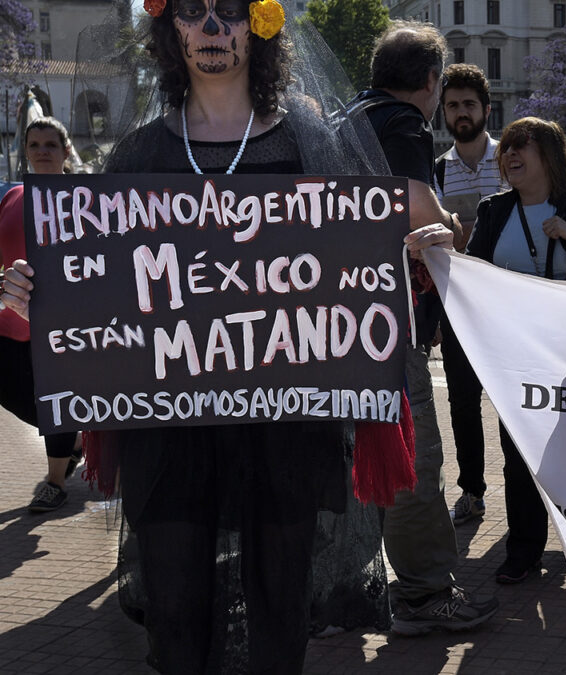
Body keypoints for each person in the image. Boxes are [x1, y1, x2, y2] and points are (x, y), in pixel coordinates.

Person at [4, 1, 421, 670]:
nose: (212, 30)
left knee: (280, 606)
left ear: (258, 26)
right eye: (193, 13)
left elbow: (361, 259)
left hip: (284, 432)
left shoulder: (309, 145)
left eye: (229, 11)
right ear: (171, 31)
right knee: (176, 613)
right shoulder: (138, 156)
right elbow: (97, 298)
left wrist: (415, 249)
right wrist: (36, 299)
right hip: (169, 439)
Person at [408, 116, 566, 583]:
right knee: (518, 451)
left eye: (522, 147)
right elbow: (475, 273)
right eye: (507, 148)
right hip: (518, 354)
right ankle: (524, 549)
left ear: (550, 155)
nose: (510, 155)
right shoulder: (496, 209)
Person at [349, 20, 499, 635]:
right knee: (414, 460)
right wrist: (454, 228)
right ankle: (425, 591)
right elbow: (418, 204)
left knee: (372, 457)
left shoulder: (348, 118)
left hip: (344, 323)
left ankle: (382, 586)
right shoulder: (402, 124)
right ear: (432, 81)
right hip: (389, 324)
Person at [432, 62, 506, 528]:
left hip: (510, 304)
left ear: (486, 109)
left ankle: (530, 492)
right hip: (459, 305)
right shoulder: (436, 171)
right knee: (462, 402)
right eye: (453, 105)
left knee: (517, 403)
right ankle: (472, 491)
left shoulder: (514, 159)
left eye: (469, 105)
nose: (461, 113)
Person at [0, 117, 81, 513]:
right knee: (13, 393)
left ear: (67, 151)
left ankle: (55, 481)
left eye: (51, 144)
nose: (43, 151)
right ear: (26, 151)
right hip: (9, 325)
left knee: (58, 401)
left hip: (62, 328)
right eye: (35, 145)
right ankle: (77, 442)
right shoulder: (11, 197)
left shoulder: (88, 199)